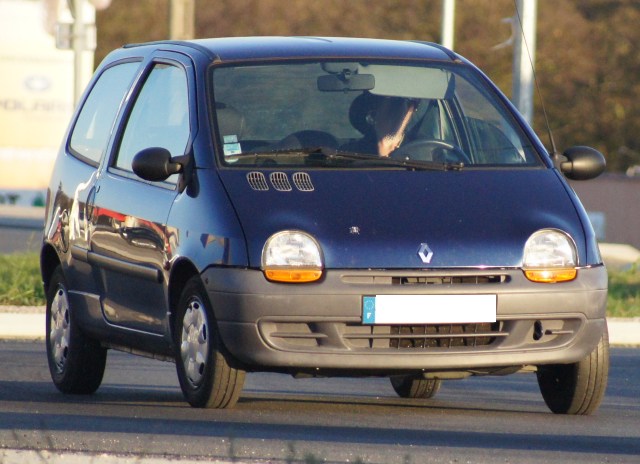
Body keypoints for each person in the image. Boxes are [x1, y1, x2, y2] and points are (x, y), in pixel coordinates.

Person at [342, 93, 417, 157]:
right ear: (372, 115)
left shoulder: (422, 150)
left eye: (409, 103)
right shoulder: (350, 154)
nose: (402, 111)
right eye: (394, 104)